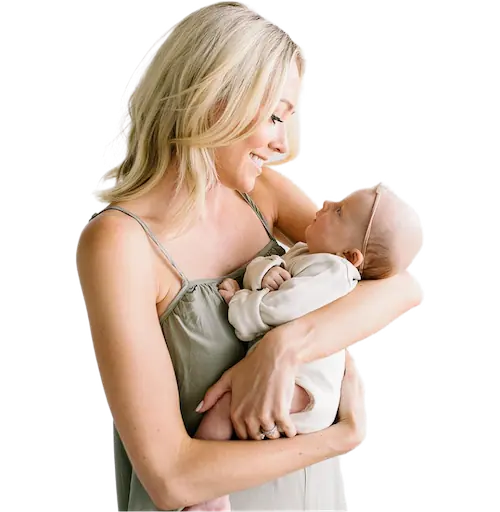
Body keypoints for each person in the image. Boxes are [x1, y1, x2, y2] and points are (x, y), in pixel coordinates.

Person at [75, 2, 423, 511]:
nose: (284, 145)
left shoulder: (262, 194)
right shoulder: (119, 244)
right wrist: (338, 439)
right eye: (276, 116)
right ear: (218, 102)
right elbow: (171, 479)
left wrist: (282, 348)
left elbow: (401, 283)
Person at [187, 182, 424, 511]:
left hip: (307, 385)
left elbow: (277, 310)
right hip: (301, 382)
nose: (326, 202)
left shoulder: (332, 272)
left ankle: (207, 493)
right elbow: (275, 267)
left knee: (224, 411)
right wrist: (265, 271)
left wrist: (237, 301)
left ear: (350, 256)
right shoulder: (309, 252)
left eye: (339, 211)